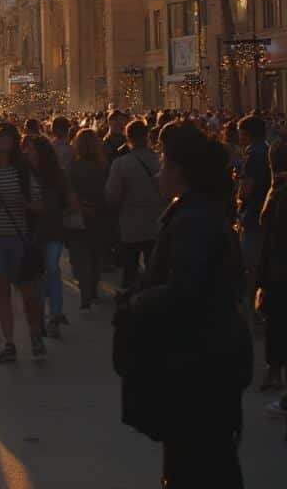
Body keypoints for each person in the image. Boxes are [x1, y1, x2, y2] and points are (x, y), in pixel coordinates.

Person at [115, 121, 251, 489]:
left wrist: (137, 303)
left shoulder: (194, 220)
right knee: (205, 458)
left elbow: (188, 289)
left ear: (180, 172)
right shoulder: (197, 212)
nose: (158, 172)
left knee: (198, 462)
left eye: (163, 165)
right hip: (206, 360)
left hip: (199, 365)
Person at [0, 122, 45, 363]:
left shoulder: (23, 170)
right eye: (0, 139)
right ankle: (9, 343)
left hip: (19, 237)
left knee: (28, 292)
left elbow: (39, 203)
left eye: (9, 139)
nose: (4, 143)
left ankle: (35, 333)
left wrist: (25, 204)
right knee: (2, 292)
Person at [105, 118, 162, 290]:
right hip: (156, 222)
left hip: (130, 224)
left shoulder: (120, 164)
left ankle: (131, 303)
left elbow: (112, 196)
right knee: (155, 268)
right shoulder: (159, 160)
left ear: (127, 138)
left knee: (130, 269)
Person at [25, 135, 73, 337]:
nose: (27, 153)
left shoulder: (57, 175)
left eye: (31, 149)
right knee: (39, 273)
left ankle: (54, 314)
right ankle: (45, 314)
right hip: (31, 230)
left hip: (52, 228)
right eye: (25, 149)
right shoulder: (22, 175)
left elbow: (67, 201)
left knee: (52, 269)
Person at [256, 140, 287, 396]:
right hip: (276, 267)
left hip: (278, 269)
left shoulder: (278, 193)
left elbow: (271, 235)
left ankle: (275, 371)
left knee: (275, 321)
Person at [66, 127, 108, 311]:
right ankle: (92, 286)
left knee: (79, 256)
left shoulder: (73, 167)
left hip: (79, 215)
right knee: (95, 253)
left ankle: (85, 291)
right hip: (99, 215)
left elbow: (68, 192)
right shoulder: (104, 167)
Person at [238, 113, 271, 311]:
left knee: (251, 264)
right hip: (266, 211)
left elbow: (247, 189)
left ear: (248, 134)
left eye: (241, 133)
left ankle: (251, 305)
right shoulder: (267, 150)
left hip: (252, 213)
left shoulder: (252, 155)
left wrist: (240, 189)